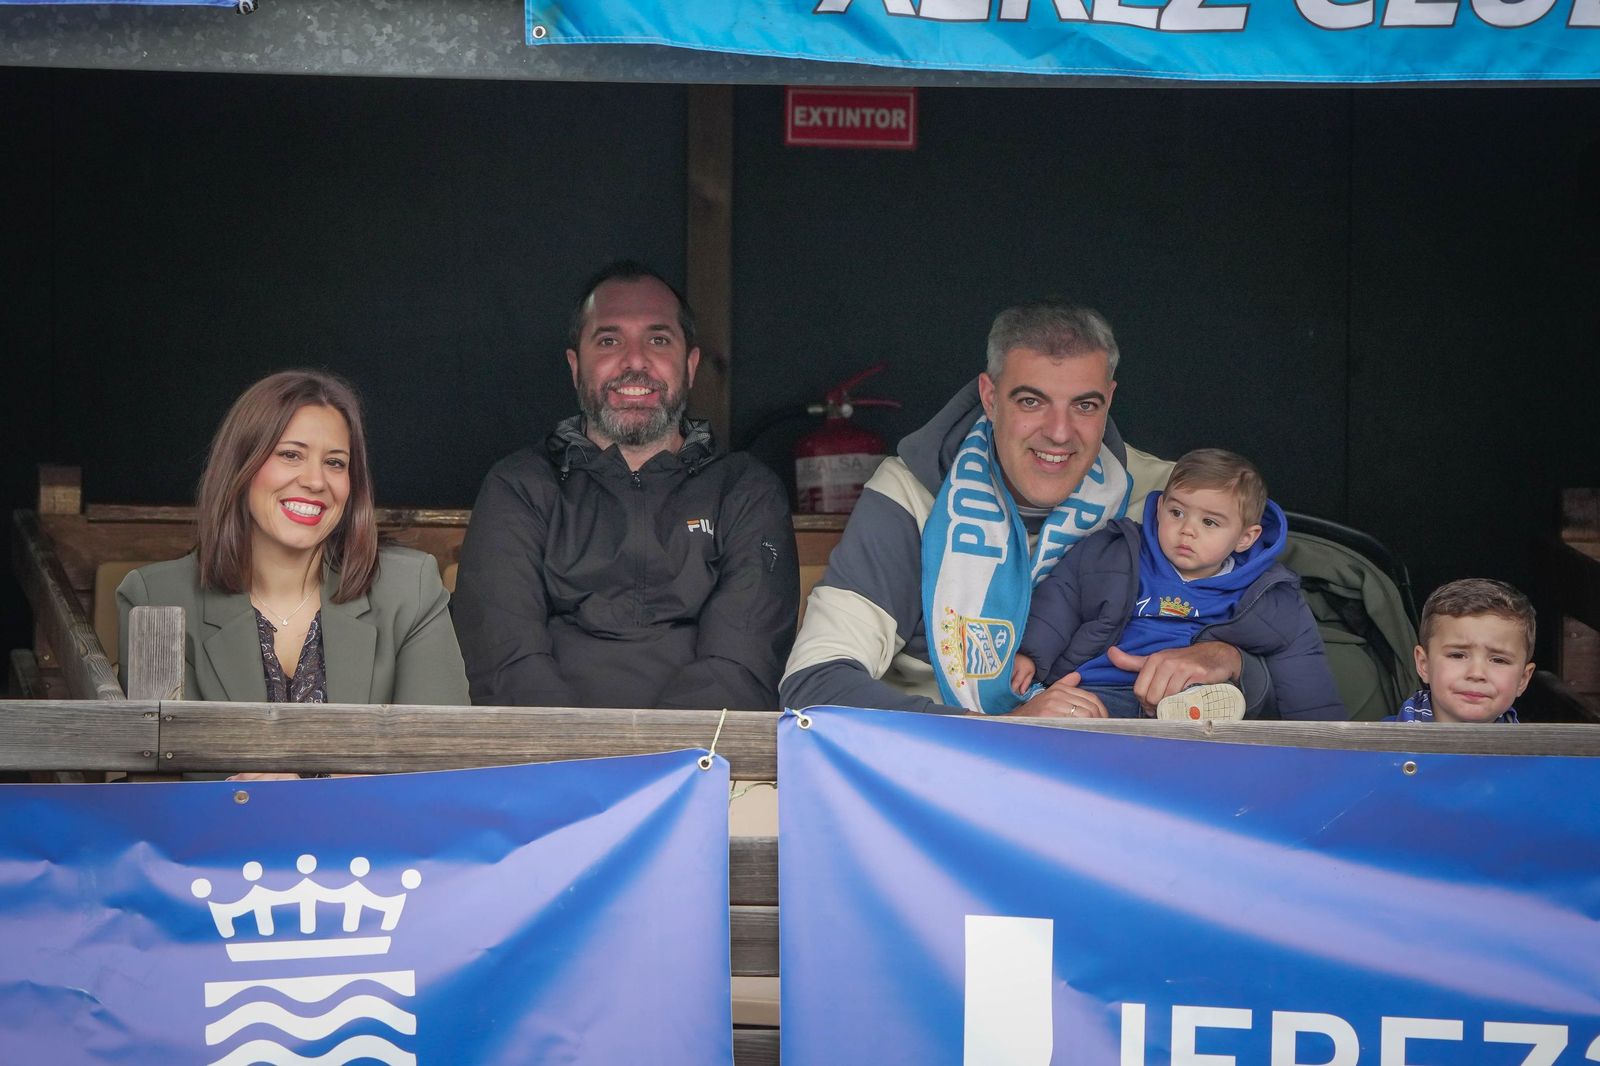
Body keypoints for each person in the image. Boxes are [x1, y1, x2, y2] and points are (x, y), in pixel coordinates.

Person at [781, 300, 1274, 719]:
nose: (1059, 433)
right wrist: (1005, 731)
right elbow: (814, 683)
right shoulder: (909, 493)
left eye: (1084, 405)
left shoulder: (1169, 501)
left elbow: (1292, 668)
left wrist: (1230, 659)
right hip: (943, 773)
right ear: (990, 398)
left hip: (1119, 773)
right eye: (1032, 401)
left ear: (1110, 401)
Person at [452, 261, 799, 710]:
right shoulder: (520, 485)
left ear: (690, 365)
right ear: (576, 366)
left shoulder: (744, 490)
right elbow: (507, 662)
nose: (635, 362)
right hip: (552, 764)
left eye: (658, 340)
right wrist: (587, 765)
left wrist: (659, 769)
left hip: (704, 767)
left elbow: (740, 665)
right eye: (609, 340)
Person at [116, 370, 469, 709]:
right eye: (290, 455)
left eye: (335, 463)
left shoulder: (410, 589)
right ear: (241, 465)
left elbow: (442, 750)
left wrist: (364, 775)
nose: (315, 481)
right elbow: (163, 759)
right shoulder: (156, 597)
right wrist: (233, 776)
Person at [1011, 449, 1343, 721]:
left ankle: (1190, 719)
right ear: (1159, 507)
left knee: (1213, 704)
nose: (1187, 530)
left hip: (1191, 702)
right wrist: (1030, 655)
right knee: (1074, 714)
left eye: (1210, 522)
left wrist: (1326, 743)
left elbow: (1306, 683)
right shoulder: (1115, 552)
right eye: (1177, 513)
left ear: (1245, 537)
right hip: (1101, 688)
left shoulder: (1269, 595)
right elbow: (1061, 598)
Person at [1384, 578, 1535, 723]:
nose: (1476, 674)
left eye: (1498, 660)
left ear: (1523, 679)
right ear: (1424, 664)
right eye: (1457, 655)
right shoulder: (1375, 743)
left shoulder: (1535, 749)